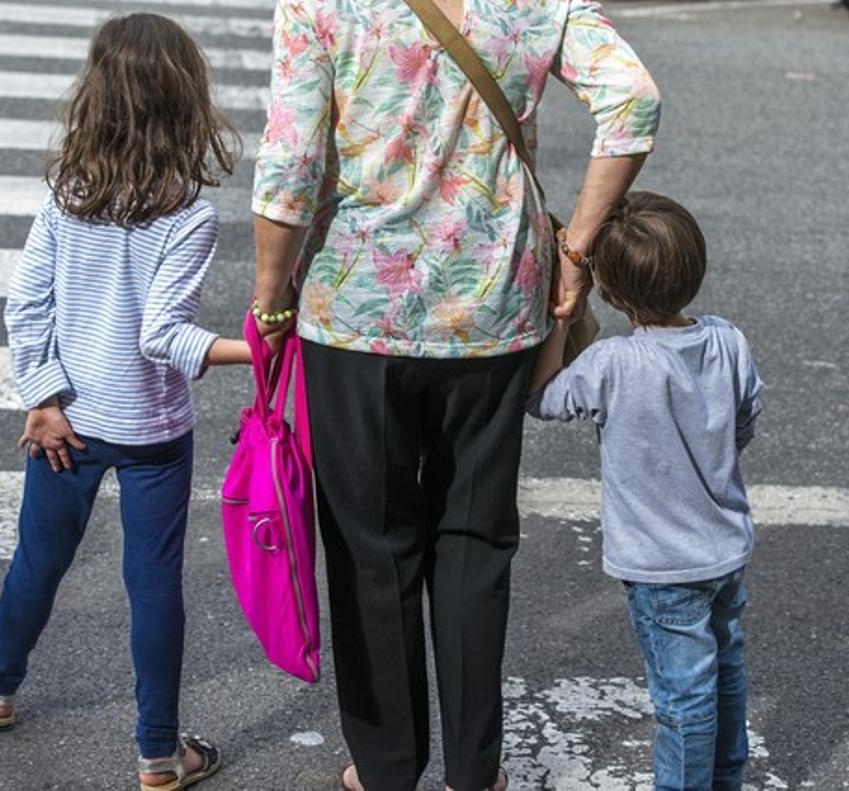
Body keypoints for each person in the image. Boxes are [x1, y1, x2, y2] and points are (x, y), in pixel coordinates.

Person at [250, 0, 660, 786]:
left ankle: (386, 765)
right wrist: (575, 245)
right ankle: (476, 770)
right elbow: (633, 96)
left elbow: (291, 159)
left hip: (356, 309)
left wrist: (271, 298)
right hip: (495, 305)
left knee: (371, 544)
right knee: (475, 538)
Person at [0, 14, 248, 790]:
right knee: (153, 585)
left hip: (67, 421)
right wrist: (256, 350)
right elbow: (163, 337)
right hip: (151, 432)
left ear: (97, 97)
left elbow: (25, 305)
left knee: (37, 560)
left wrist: (41, 394)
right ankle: (157, 751)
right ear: (186, 104)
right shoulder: (188, 214)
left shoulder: (67, 194)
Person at [527, 192, 765, 791]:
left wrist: (562, 313)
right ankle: (726, 779)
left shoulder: (611, 363)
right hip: (724, 549)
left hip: (661, 568)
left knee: (683, 698)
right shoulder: (727, 341)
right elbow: (745, 422)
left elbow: (542, 398)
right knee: (726, 670)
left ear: (610, 291)